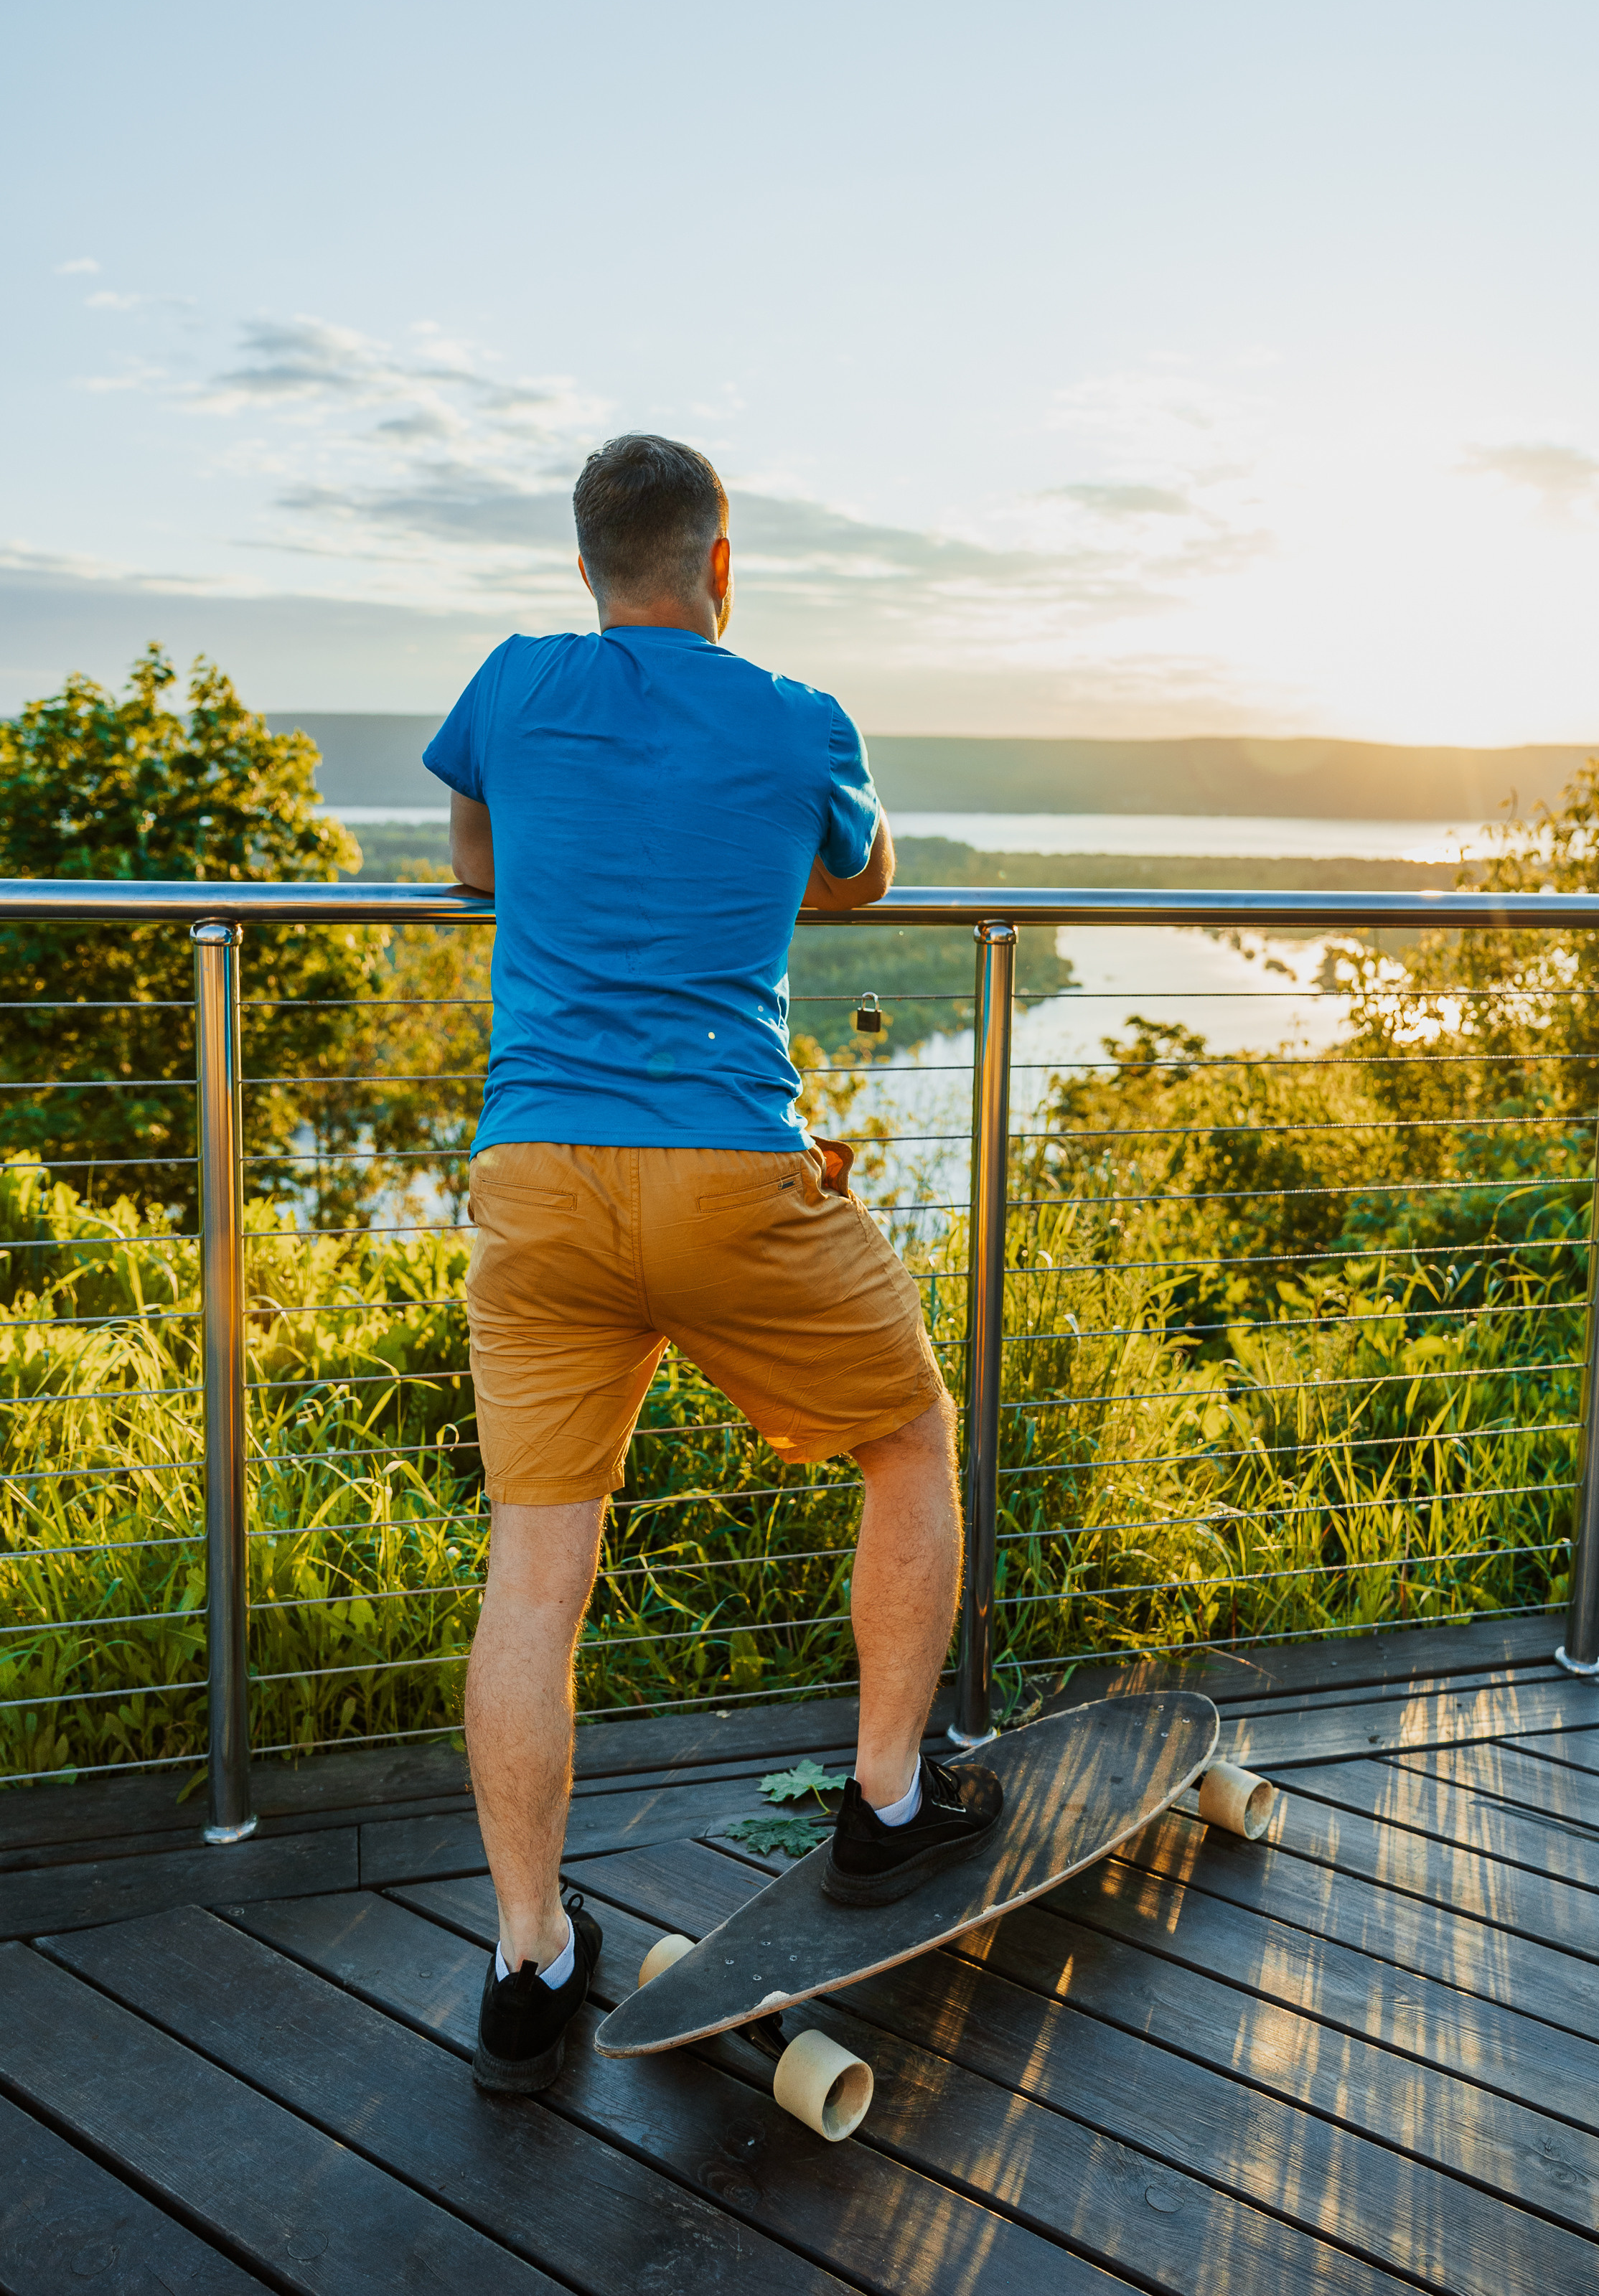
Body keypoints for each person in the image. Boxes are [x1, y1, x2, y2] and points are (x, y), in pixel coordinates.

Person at [422, 434, 1002, 2096]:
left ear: (588, 566)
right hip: (735, 1174)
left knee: (533, 1572)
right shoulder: (798, 714)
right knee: (909, 1440)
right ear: (721, 564)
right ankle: (887, 1803)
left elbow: (477, 864)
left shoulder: (516, 687)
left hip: (536, 1184)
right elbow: (859, 874)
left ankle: (531, 1961)